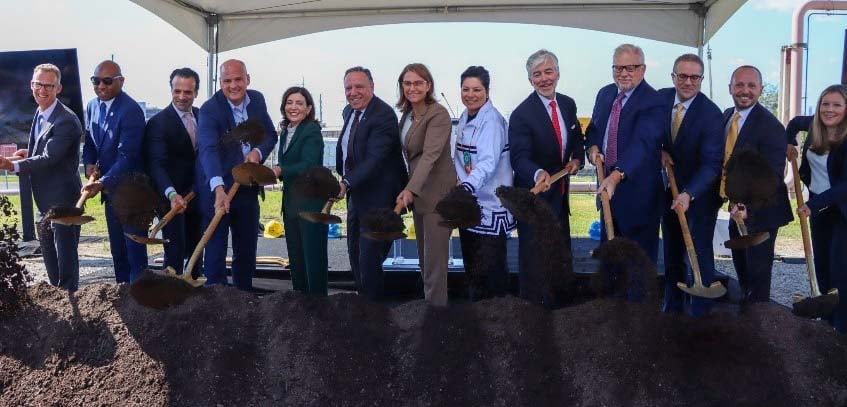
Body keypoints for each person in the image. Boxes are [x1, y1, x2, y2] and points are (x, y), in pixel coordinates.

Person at [509, 50, 583, 307]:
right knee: (535, 259)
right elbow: (519, 158)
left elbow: (576, 141)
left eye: (548, 72)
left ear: (558, 74)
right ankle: (532, 315)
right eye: (537, 74)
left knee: (560, 254)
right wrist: (538, 173)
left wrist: (577, 159)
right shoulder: (521, 114)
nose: (544, 78)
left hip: (560, 198)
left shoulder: (568, 104)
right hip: (536, 200)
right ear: (530, 80)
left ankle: (561, 311)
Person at [196, 59, 278, 290]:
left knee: (246, 245)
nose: (233, 85)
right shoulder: (210, 109)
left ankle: (244, 297)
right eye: (227, 81)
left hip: (246, 186)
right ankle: (216, 297)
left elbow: (270, 135)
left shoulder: (257, 101)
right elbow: (208, 150)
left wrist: (257, 151)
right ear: (220, 82)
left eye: (238, 79)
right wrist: (219, 189)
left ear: (247, 79)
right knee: (216, 246)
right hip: (217, 187)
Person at [0, 64, 83, 290]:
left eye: (49, 86)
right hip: (45, 199)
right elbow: (43, 152)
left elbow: (50, 158)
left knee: (65, 259)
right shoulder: (41, 111)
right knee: (49, 254)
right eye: (38, 84)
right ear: (31, 85)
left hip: (63, 200)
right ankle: (59, 296)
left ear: (58, 88)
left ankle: (70, 303)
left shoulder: (66, 120)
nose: (42, 90)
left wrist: (12, 166)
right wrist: (26, 155)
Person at [657, 54, 724, 317]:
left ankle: (700, 316)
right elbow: (647, 131)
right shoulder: (660, 100)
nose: (688, 82)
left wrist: (689, 193)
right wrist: (657, 151)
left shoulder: (711, 114)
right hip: (668, 191)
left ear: (701, 79)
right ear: (673, 77)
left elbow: (712, 164)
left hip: (700, 196)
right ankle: (672, 311)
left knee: (698, 252)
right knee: (672, 252)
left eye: (694, 77)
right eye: (682, 76)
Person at [586, 44, 665, 264]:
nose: (623, 73)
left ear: (643, 69)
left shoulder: (654, 101)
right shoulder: (605, 94)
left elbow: (644, 144)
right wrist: (592, 148)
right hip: (608, 193)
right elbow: (594, 129)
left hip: (638, 199)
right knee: (611, 263)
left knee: (637, 266)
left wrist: (617, 174)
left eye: (630, 68)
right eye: (618, 68)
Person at [721, 65, 793, 306]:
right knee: (742, 272)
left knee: (758, 279)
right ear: (730, 87)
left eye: (751, 85)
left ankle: (760, 330)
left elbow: (772, 176)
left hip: (762, 212)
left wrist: (746, 207)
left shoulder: (771, 127)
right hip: (736, 210)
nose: (745, 90)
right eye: (739, 84)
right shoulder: (726, 117)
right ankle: (746, 324)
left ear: (761, 89)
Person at [336, 66, 408, 301]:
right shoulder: (349, 112)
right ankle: (363, 303)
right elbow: (348, 151)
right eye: (349, 87)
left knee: (369, 257)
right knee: (354, 253)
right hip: (356, 196)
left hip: (379, 198)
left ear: (372, 87)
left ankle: (374, 311)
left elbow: (374, 159)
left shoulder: (384, 114)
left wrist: (346, 181)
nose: (353, 92)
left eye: (359, 87)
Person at [395, 63, 456, 307]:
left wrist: (410, 189)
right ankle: (431, 312)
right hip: (420, 197)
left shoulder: (438, 114)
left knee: (434, 265)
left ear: (428, 85)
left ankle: (437, 320)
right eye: (407, 83)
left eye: (418, 83)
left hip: (437, 197)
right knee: (424, 260)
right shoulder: (407, 115)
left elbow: (430, 155)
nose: (413, 88)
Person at [81, 60, 147, 283]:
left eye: (107, 81)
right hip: (110, 195)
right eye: (95, 80)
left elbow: (127, 157)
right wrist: (88, 163)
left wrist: (102, 182)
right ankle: (123, 295)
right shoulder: (91, 106)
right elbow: (89, 141)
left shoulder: (131, 111)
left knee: (134, 251)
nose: (101, 85)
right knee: (118, 251)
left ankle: (140, 302)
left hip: (131, 194)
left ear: (120, 81)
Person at [454, 66, 516, 301]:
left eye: (477, 89)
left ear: (487, 91)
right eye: (466, 89)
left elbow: (488, 163)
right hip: (470, 205)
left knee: (492, 272)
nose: (471, 94)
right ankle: (478, 322)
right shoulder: (465, 116)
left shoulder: (492, 121)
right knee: (473, 270)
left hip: (490, 207)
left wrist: (466, 187)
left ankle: (497, 324)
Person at [795, 84, 847, 332]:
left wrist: (813, 203)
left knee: (840, 273)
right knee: (823, 268)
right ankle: (826, 327)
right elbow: (794, 122)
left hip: (841, 212)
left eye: (837, 104)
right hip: (819, 211)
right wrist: (788, 143)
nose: (830, 109)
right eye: (825, 104)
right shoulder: (815, 128)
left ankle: (840, 331)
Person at [144, 67, 202, 275]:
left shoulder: (203, 116)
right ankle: (172, 298)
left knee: (197, 249)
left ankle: (196, 295)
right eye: (177, 91)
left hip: (197, 194)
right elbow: (156, 164)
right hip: (171, 197)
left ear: (196, 93)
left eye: (188, 92)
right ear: (171, 90)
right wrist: (171, 193)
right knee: (175, 252)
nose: (182, 97)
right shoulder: (158, 123)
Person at [271, 86, 328, 296]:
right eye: (289, 102)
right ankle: (300, 304)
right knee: (295, 257)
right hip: (291, 204)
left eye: (299, 103)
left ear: (309, 108)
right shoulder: (285, 132)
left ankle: (319, 306)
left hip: (310, 204)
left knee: (313, 258)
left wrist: (280, 170)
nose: (293, 107)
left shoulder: (311, 130)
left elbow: (309, 164)